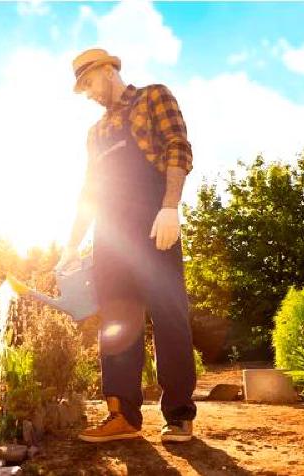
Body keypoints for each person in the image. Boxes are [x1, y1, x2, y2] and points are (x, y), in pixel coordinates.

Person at [56, 48, 197, 443]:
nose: (88, 93)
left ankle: (179, 416)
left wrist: (170, 208)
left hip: (154, 223)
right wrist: (72, 245)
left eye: (88, 83)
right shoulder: (96, 132)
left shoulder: (153, 97)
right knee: (117, 324)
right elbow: (90, 190)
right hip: (111, 235)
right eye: (81, 88)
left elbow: (177, 147)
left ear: (107, 70)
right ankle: (123, 417)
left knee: (169, 317)